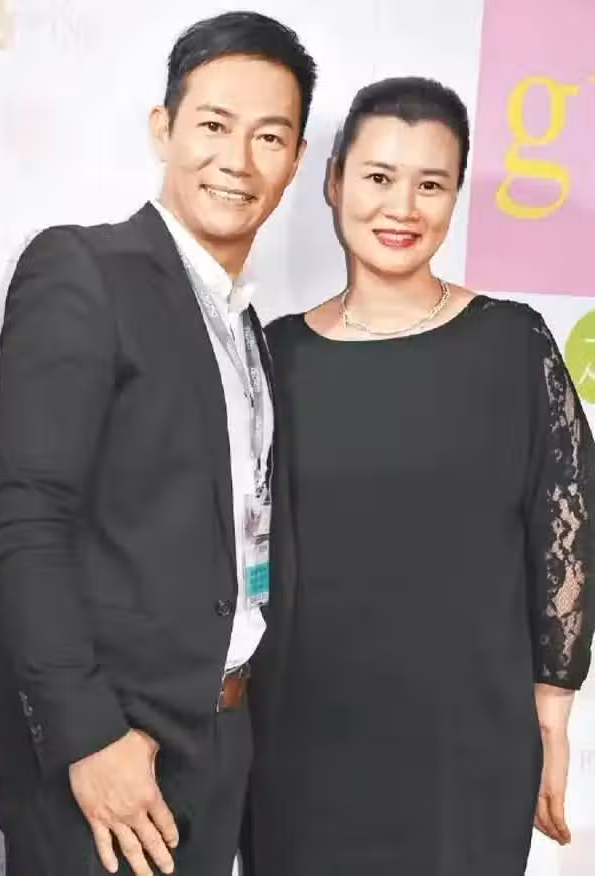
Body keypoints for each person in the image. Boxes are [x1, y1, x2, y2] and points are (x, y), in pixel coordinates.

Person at [0, 11, 316, 876]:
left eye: (270, 136)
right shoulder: (84, 269)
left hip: (217, 739)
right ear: (163, 129)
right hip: (109, 752)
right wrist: (90, 739)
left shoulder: (247, 326)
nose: (239, 160)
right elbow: (25, 522)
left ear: (297, 160)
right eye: (214, 125)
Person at [246, 77, 595, 876]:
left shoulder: (511, 345)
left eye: (431, 184)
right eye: (378, 176)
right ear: (333, 181)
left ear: (456, 196)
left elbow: (567, 525)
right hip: (304, 741)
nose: (402, 207)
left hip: (466, 744)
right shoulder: (273, 354)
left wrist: (551, 713)